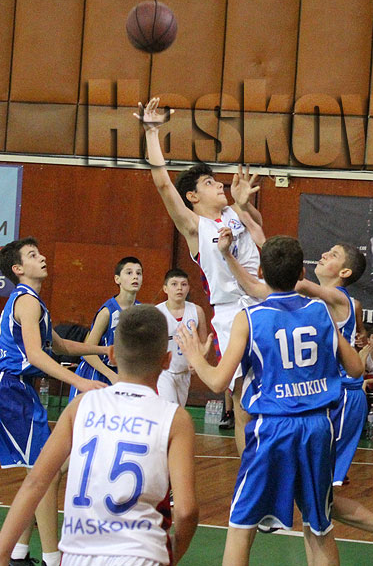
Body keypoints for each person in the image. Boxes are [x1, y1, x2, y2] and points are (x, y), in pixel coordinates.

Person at [178, 235, 373, 566]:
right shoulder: (319, 311)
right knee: (319, 526)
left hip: (273, 428)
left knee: (240, 528)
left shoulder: (250, 317)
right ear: (300, 273)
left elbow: (218, 381)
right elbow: (356, 368)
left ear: (262, 272)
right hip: (318, 426)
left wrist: (194, 356)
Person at [0, 304, 198, 566]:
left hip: (77, 555)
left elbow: (35, 483)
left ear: (113, 356)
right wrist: (172, 554)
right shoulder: (176, 419)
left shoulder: (80, 406)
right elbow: (186, 511)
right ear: (167, 360)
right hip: (140, 555)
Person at [139, 97, 265, 454]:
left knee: (272, 397)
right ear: (193, 196)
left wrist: (245, 205)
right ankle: (250, 473)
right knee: (244, 404)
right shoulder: (196, 227)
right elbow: (163, 185)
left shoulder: (237, 212)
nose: (219, 185)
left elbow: (262, 237)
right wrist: (152, 132)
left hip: (263, 303)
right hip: (231, 313)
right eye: (210, 183)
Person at [0, 238, 113, 566]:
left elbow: (59, 346)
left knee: (40, 473)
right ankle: (53, 559)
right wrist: (79, 381)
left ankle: (18, 553)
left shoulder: (33, 302)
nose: (41, 257)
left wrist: (103, 350)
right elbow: (36, 355)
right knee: (47, 473)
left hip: (18, 390)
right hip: (9, 389)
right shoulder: (27, 302)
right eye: (32, 255)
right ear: (18, 268)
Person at [68, 256, 144, 401]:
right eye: (129, 273)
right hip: (96, 372)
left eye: (138, 273)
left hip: (121, 375)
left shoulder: (141, 311)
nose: (135, 276)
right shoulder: (107, 312)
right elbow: (87, 352)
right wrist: (111, 375)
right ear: (117, 279)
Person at [155, 267, 209, 407]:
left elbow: (203, 344)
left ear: (189, 288)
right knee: (170, 409)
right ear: (165, 288)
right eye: (174, 284)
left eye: (183, 284)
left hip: (185, 372)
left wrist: (199, 363)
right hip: (164, 372)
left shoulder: (197, 311)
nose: (179, 288)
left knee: (179, 409)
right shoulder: (157, 313)